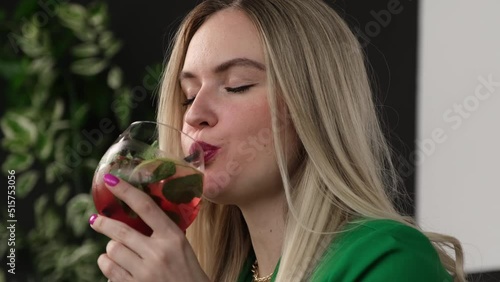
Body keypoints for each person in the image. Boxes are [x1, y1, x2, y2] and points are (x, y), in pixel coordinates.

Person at [89, 0, 467, 281]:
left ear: (313, 105)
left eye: (237, 85)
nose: (193, 113)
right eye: (188, 95)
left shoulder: (389, 260)